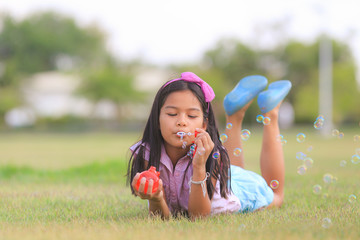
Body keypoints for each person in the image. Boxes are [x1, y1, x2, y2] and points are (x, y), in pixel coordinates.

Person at [127, 72, 291, 219]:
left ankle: (271, 113)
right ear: (157, 118)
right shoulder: (148, 153)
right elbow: (161, 217)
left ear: (204, 125)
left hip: (234, 192)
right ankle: (234, 115)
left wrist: (199, 166)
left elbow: (198, 215)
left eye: (191, 115)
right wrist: (156, 198)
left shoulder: (212, 155)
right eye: (172, 114)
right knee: (228, 170)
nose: (181, 122)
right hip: (224, 178)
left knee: (276, 195)